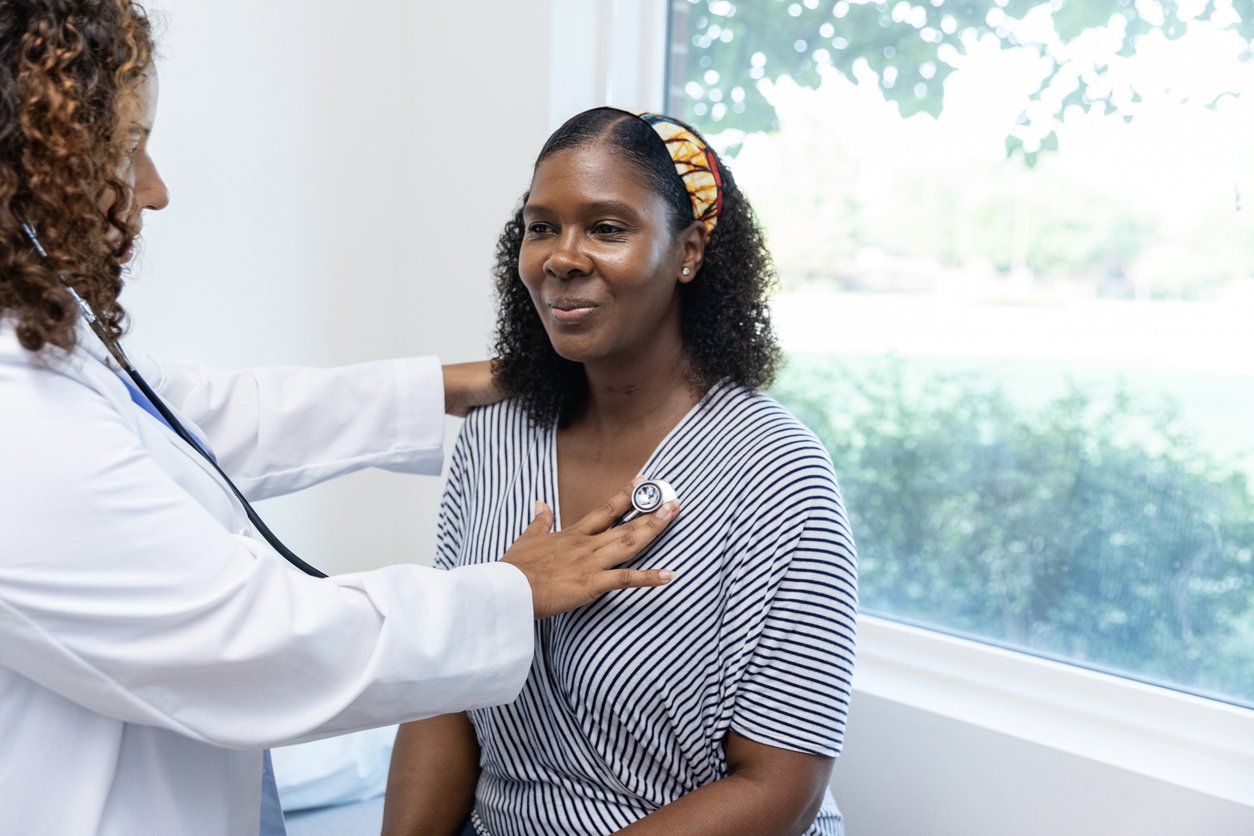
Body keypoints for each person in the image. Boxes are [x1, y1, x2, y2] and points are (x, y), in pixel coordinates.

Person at [0, 4, 678, 835]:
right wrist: (511, 590)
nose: (155, 188)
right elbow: (252, 642)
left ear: (689, 253)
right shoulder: (17, 418)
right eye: (127, 149)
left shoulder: (49, 355)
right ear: (35, 170)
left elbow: (196, 414)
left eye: (606, 228)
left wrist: (449, 386)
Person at [382, 108, 859, 835]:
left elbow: (780, 785)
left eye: (606, 228)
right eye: (542, 226)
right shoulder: (494, 439)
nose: (562, 257)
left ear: (689, 251)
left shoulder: (776, 471)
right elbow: (445, 691)